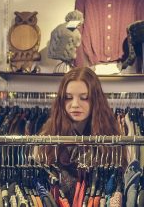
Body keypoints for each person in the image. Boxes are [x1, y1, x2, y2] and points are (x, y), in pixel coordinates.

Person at [38, 67, 124, 201]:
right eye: (68, 98)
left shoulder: (110, 138)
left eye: (84, 98)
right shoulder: (49, 136)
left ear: (95, 100)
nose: (75, 104)